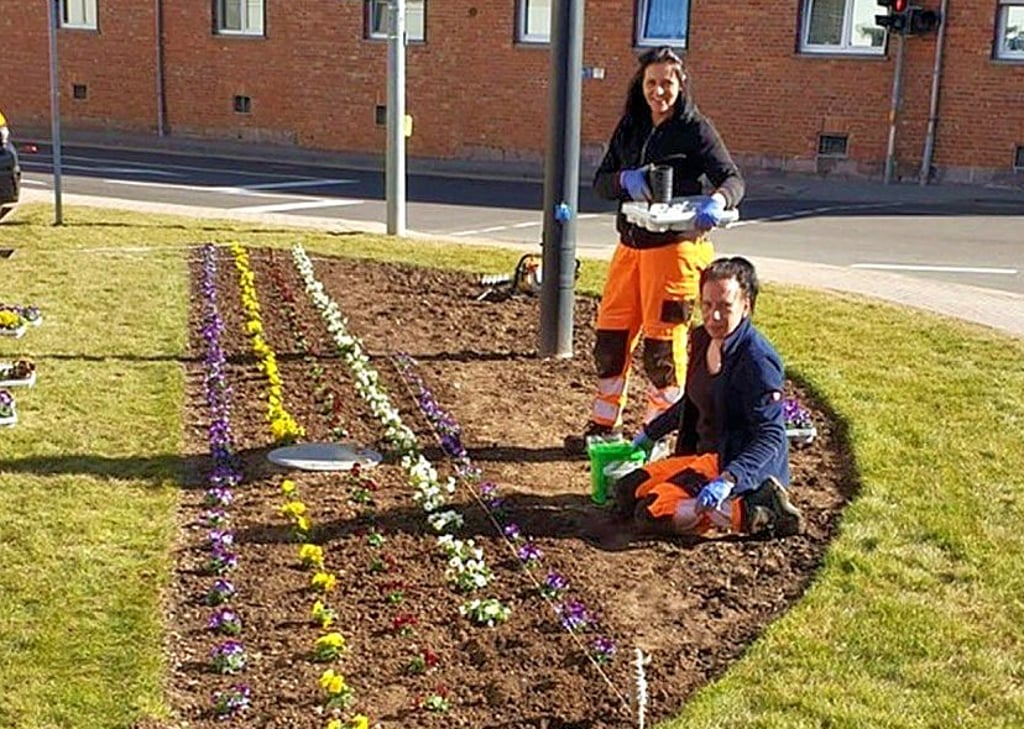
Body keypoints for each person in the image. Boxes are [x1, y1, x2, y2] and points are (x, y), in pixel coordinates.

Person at [565, 46, 744, 454]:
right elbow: (601, 182)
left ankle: (657, 437)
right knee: (611, 337)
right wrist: (625, 179)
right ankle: (603, 426)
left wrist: (718, 201)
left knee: (663, 347)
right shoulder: (631, 127)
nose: (659, 91)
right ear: (640, 86)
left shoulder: (695, 129)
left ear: (681, 86)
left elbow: (732, 178)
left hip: (675, 249)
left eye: (667, 83)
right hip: (631, 245)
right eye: (651, 83)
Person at [613, 257, 803, 539]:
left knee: (651, 512)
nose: (713, 316)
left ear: (746, 306)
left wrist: (729, 479)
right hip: (704, 457)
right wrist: (650, 434)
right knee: (628, 490)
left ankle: (755, 511)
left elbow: (772, 436)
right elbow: (694, 399)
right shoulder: (702, 339)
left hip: (736, 465)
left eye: (725, 307)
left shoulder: (757, 360)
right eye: (707, 305)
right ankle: (715, 503)